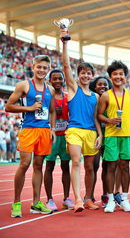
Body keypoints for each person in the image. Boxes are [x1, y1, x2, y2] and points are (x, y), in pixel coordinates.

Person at [5, 55, 56, 218]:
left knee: (38, 166)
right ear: (33, 67)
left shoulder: (51, 89)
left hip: (44, 131)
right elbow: (9, 106)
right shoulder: (24, 85)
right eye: (39, 67)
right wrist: (29, 108)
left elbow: (53, 111)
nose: (41, 70)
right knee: (25, 164)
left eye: (45, 68)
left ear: (48, 70)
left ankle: (36, 203)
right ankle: (17, 203)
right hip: (28, 129)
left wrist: (52, 129)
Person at [61, 30, 102, 213]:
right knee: (76, 163)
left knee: (90, 167)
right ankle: (77, 199)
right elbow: (65, 66)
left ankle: (88, 198)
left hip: (92, 132)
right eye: (82, 73)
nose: (85, 76)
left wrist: (100, 134)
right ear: (78, 75)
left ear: (92, 75)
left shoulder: (96, 96)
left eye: (88, 73)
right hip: (75, 131)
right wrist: (64, 42)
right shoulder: (73, 89)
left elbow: (96, 118)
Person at [98, 60, 130, 213]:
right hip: (111, 135)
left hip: (127, 134)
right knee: (111, 167)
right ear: (110, 77)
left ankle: (124, 199)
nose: (118, 76)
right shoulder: (106, 95)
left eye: (121, 74)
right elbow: (99, 115)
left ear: (125, 76)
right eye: (115, 74)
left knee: (125, 167)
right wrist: (109, 120)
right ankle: (111, 199)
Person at [44, 69, 74, 211]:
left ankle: (66, 198)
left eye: (59, 78)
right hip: (52, 136)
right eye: (54, 78)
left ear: (63, 80)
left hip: (65, 136)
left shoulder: (68, 97)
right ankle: (49, 199)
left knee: (65, 166)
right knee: (49, 166)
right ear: (49, 80)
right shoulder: (47, 97)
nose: (57, 81)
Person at [89, 76, 112, 207]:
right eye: (99, 85)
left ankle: (106, 195)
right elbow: (95, 118)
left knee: (107, 167)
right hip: (95, 135)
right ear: (94, 86)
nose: (102, 87)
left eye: (105, 85)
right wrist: (99, 134)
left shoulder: (111, 99)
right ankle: (90, 195)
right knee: (94, 166)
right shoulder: (93, 99)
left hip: (109, 136)